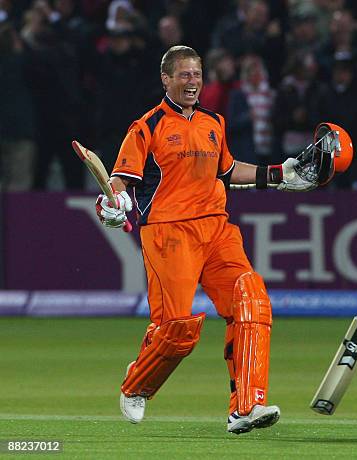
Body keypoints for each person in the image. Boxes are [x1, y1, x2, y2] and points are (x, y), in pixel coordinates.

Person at [96, 45, 329, 435]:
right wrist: (114, 201)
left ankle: (246, 406)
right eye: (184, 75)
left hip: (217, 229)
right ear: (166, 79)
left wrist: (279, 174)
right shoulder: (147, 126)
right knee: (176, 329)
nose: (192, 82)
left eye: (197, 75)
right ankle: (137, 384)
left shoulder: (213, 122)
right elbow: (123, 179)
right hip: (170, 233)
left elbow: (229, 170)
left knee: (252, 300)